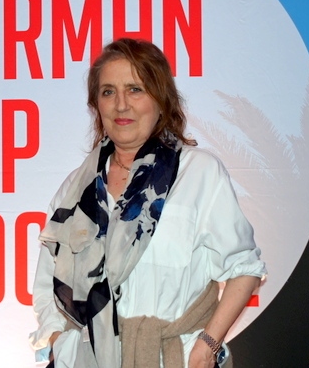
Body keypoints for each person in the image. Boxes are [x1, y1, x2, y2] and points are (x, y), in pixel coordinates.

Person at [30, 38, 266, 368]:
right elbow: (47, 283)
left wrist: (208, 346)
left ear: (161, 99)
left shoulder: (198, 173)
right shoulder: (76, 189)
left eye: (135, 89)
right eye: (108, 92)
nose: (121, 105)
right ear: (96, 105)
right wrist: (58, 341)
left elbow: (244, 268)